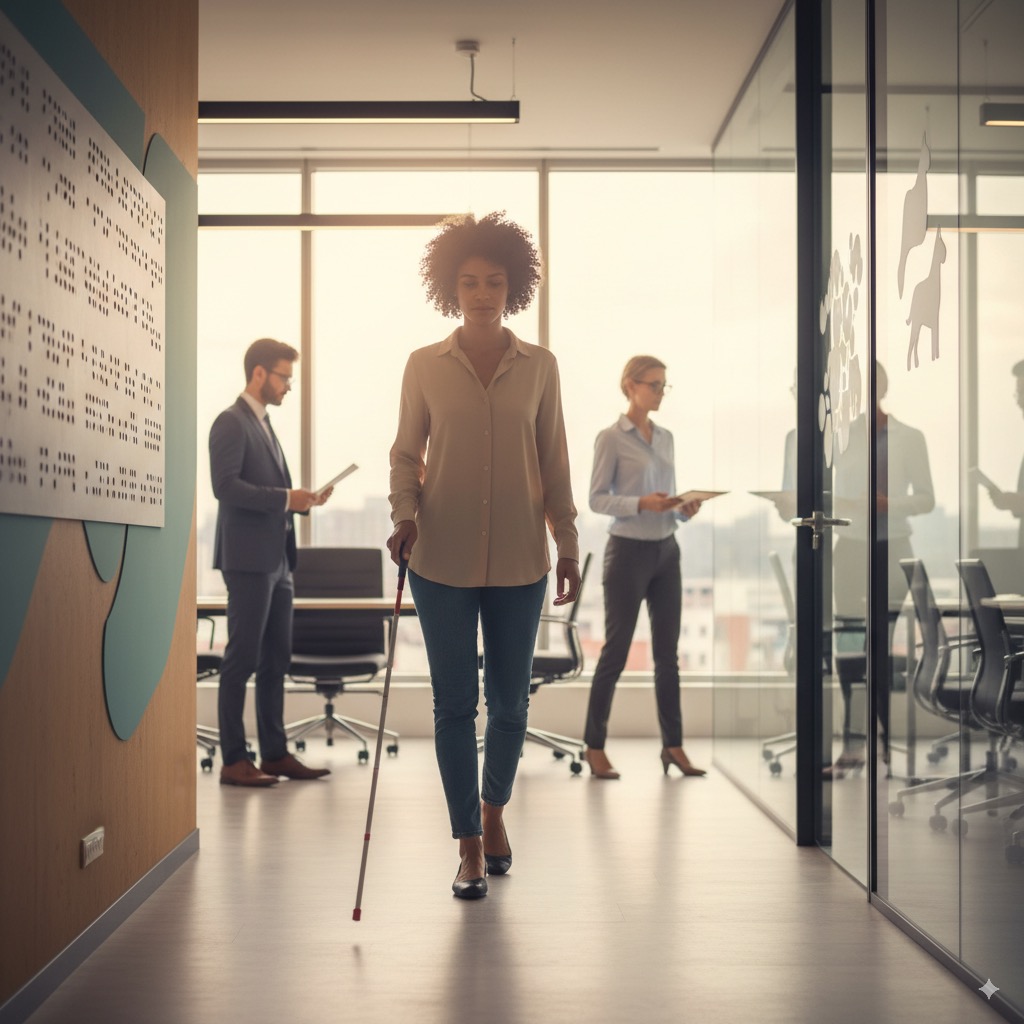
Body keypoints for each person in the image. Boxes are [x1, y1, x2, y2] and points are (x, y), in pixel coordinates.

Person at [387, 212, 580, 900]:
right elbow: (407, 454)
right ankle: (467, 842)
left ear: (513, 287)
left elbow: (554, 462)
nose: (481, 292)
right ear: (450, 287)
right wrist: (404, 516)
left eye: (494, 281)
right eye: (468, 281)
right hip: (439, 558)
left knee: (510, 707)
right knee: (453, 707)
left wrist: (568, 544)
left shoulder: (542, 368)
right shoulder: (423, 367)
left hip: (524, 559)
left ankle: (494, 813)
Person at [209, 338, 334, 787]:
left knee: (275, 659)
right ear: (259, 374)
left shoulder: (262, 424)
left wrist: (301, 503)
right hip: (248, 560)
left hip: (278, 559)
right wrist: (286, 497)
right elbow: (225, 488)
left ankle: (275, 754)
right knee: (241, 659)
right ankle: (234, 760)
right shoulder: (231, 422)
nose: (288, 386)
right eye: (284, 377)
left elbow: (264, 491)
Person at [583, 355, 707, 780]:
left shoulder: (667, 437)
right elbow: (597, 499)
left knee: (667, 656)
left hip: (665, 550)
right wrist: (641, 503)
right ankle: (594, 745)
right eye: (654, 385)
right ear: (630, 386)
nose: (659, 393)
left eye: (663, 386)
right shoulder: (611, 438)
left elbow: (667, 499)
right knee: (615, 652)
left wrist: (682, 507)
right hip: (628, 552)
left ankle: (673, 746)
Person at [830, 361, 934, 775]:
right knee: (851, 645)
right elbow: (827, 494)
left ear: (879, 388)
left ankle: (886, 744)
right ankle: (853, 744)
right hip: (850, 547)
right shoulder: (839, 439)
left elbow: (926, 498)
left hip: (894, 546)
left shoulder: (909, 438)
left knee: (882, 646)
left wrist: (891, 505)